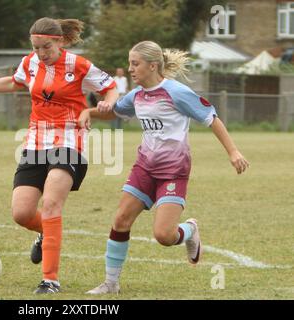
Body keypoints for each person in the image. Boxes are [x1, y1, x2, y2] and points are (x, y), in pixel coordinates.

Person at [0, 17, 118, 294]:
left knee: (53, 204)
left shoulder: (78, 65)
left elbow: (111, 86)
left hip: (69, 140)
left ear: (59, 42)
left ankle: (50, 280)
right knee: (21, 213)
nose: (41, 54)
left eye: (45, 47)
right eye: (36, 47)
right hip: (34, 142)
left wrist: (105, 104)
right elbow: (13, 82)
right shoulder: (30, 62)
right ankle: (46, 233)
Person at [78, 40, 249, 294]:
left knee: (164, 236)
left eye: (135, 64)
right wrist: (90, 112)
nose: (131, 69)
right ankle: (111, 283)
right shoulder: (136, 95)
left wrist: (233, 151)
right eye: (130, 63)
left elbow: (211, 118)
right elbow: (115, 112)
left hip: (173, 171)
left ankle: (190, 230)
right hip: (144, 168)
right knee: (121, 220)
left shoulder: (176, 92)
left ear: (153, 65)